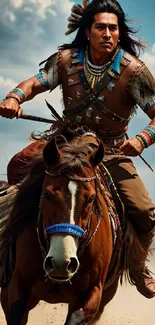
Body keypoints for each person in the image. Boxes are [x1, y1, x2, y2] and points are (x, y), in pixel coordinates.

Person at [0, 0, 155, 298]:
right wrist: (14, 98)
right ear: (87, 32)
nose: (108, 33)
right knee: (19, 166)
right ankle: (7, 254)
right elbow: (35, 83)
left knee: (145, 211)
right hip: (66, 144)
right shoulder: (67, 60)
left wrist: (140, 140)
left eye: (113, 28)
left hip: (109, 154)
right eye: (101, 27)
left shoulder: (134, 71)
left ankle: (137, 267)